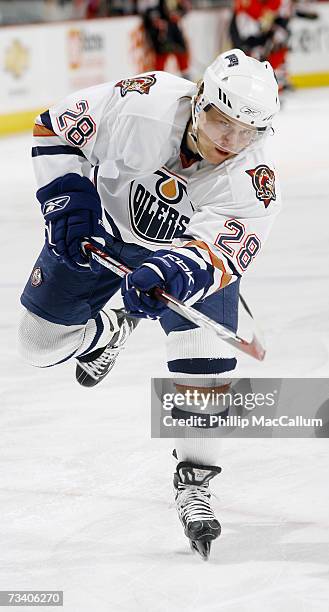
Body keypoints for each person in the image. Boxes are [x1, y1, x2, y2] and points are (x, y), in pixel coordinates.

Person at [17, 48, 281, 559]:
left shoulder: (254, 180)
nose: (230, 143)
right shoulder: (144, 102)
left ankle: (196, 482)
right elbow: (56, 128)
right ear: (198, 101)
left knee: (203, 371)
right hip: (103, 233)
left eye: (246, 132)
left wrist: (172, 272)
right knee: (37, 347)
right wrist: (67, 195)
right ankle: (110, 330)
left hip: (186, 258)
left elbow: (220, 251)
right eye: (221, 122)